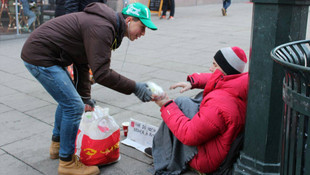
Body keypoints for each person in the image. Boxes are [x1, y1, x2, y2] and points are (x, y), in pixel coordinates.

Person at [21, 2, 157, 175]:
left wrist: (85, 96)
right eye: (142, 27)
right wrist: (135, 87)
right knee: (73, 106)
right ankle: (67, 163)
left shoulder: (107, 26)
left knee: (69, 100)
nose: (143, 33)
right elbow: (102, 74)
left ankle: (57, 145)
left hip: (49, 54)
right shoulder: (102, 28)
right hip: (40, 56)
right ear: (129, 20)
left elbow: (83, 62)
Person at [145, 46, 249, 174]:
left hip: (206, 159)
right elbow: (218, 80)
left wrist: (165, 105)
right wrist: (193, 82)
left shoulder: (219, 104)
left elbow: (189, 134)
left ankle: (162, 154)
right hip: (220, 146)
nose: (211, 68)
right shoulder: (238, 85)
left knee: (176, 107)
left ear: (225, 70)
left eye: (214, 65)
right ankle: (161, 148)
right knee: (183, 102)